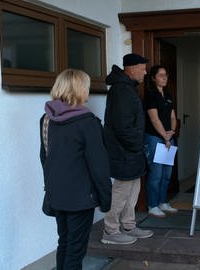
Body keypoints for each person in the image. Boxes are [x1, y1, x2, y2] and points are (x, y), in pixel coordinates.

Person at [40, 69, 112, 270]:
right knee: (76, 250)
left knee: (64, 242)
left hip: (57, 195)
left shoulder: (46, 119)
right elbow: (99, 166)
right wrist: (106, 200)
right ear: (80, 90)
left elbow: (45, 158)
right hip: (80, 199)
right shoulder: (88, 123)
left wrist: (51, 189)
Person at [101, 53, 154, 245]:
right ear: (131, 69)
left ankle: (129, 225)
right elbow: (122, 127)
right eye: (142, 68)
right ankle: (111, 230)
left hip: (132, 151)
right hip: (124, 151)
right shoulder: (122, 90)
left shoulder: (128, 88)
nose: (145, 72)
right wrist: (137, 145)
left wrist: (137, 147)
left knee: (133, 188)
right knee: (122, 190)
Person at [143, 65, 178, 217]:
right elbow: (154, 119)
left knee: (166, 174)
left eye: (166, 75)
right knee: (156, 174)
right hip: (155, 138)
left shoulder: (168, 95)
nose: (164, 77)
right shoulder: (150, 95)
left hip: (168, 138)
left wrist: (172, 131)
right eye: (161, 75)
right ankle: (152, 205)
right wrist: (165, 136)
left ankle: (163, 202)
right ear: (153, 78)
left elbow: (172, 116)